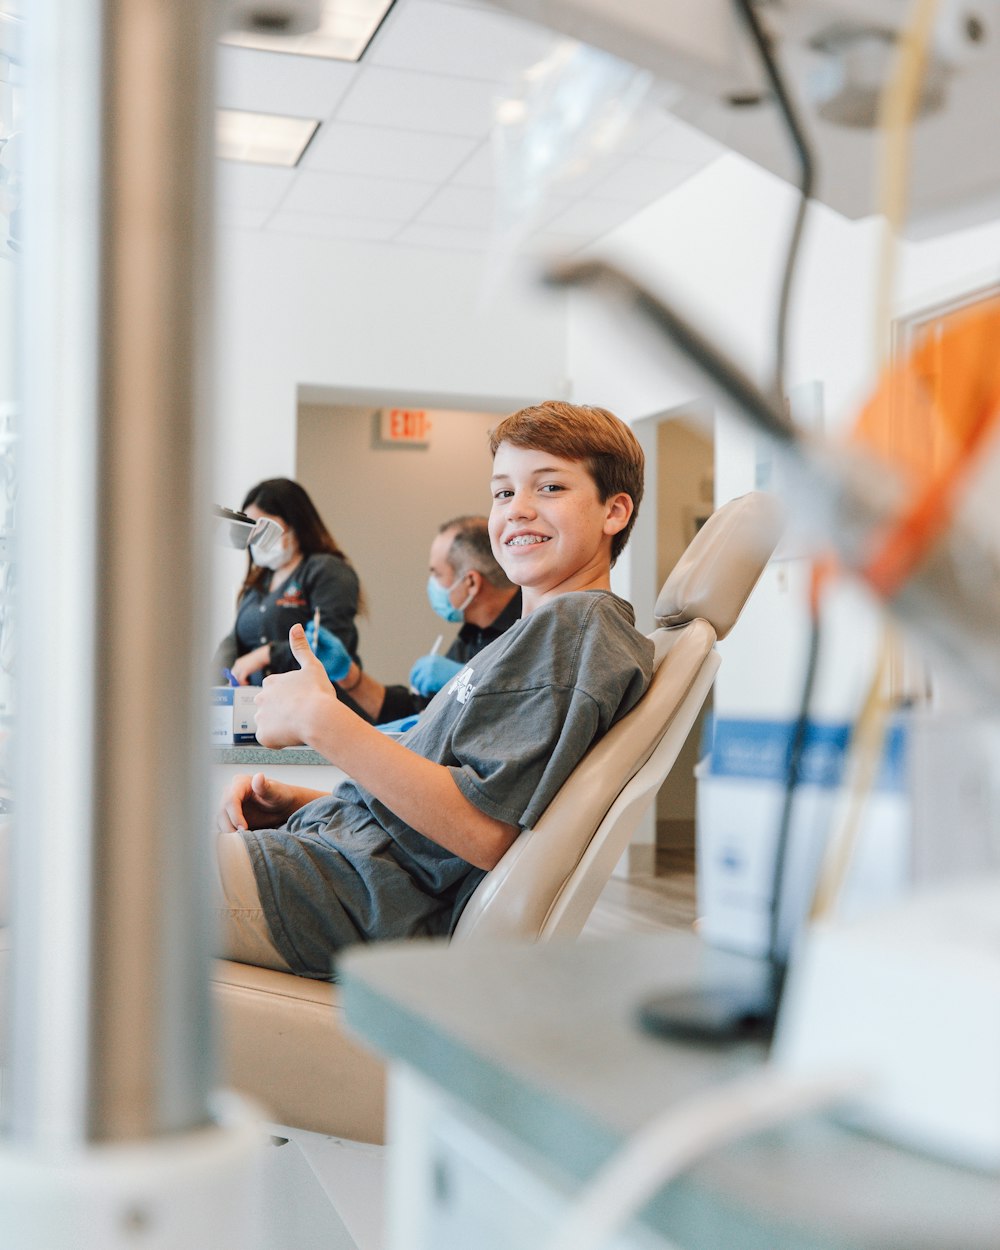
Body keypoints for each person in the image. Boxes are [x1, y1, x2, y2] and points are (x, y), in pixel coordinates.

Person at [215, 401, 654, 980]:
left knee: (95, 877)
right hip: (336, 865)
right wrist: (304, 801)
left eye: (548, 487)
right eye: (503, 493)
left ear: (613, 511)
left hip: (352, 897)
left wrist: (322, 721)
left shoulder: (573, 632)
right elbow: (440, 811)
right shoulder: (531, 637)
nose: (518, 509)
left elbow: (483, 833)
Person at [307, 515, 521, 724]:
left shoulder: (528, 631)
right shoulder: (472, 635)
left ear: (471, 582)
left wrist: (466, 681)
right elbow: (419, 713)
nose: (431, 584)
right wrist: (349, 675)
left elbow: (523, 714)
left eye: (436, 573)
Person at [213, 478, 364, 690]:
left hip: (317, 703)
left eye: (264, 527)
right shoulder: (259, 581)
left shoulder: (326, 571)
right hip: (261, 708)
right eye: (252, 530)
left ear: (294, 523)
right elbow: (234, 640)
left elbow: (328, 645)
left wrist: (265, 655)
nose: (257, 538)